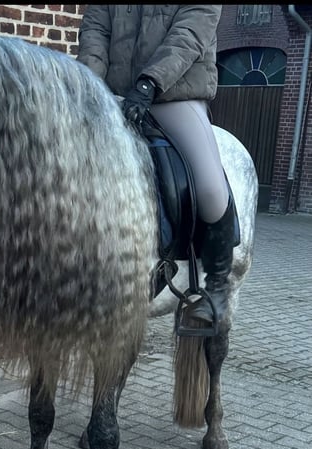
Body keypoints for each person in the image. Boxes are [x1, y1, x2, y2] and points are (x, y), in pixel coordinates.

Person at [76, 5, 235, 327]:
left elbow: (190, 32)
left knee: (209, 188)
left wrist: (150, 82)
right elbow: (95, 30)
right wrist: (91, 86)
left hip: (174, 94)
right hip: (113, 97)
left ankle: (217, 286)